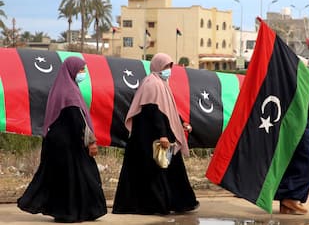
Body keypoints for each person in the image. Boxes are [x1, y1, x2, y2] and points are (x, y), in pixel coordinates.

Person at [17, 56, 107, 222]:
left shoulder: (60, 88)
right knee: (81, 176)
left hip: (56, 142)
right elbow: (78, 120)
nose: (83, 73)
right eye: (81, 70)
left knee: (62, 178)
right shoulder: (71, 92)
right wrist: (91, 141)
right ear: (72, 70)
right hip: (69, 143)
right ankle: (77, 211)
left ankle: (63, 211)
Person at [112, 52, 199, 215]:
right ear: (158, 66)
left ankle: (178, 203)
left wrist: (181, 123)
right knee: (152, 172)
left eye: (169, 67)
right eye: (166, 67)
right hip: (149, 139)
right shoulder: (152, 84)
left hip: (160, 136)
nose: (168, 70)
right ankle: (154, 205)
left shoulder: (161, 83)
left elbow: (168, 108)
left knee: (171, 169)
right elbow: (154, 111)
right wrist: (162, 135)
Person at [275, 80, 309, 215]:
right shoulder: (296, 82)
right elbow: (306, 105)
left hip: (290, 126)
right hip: (300, 127)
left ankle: (287, 203)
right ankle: (291, 197)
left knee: (295, 163)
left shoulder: (284, 81)